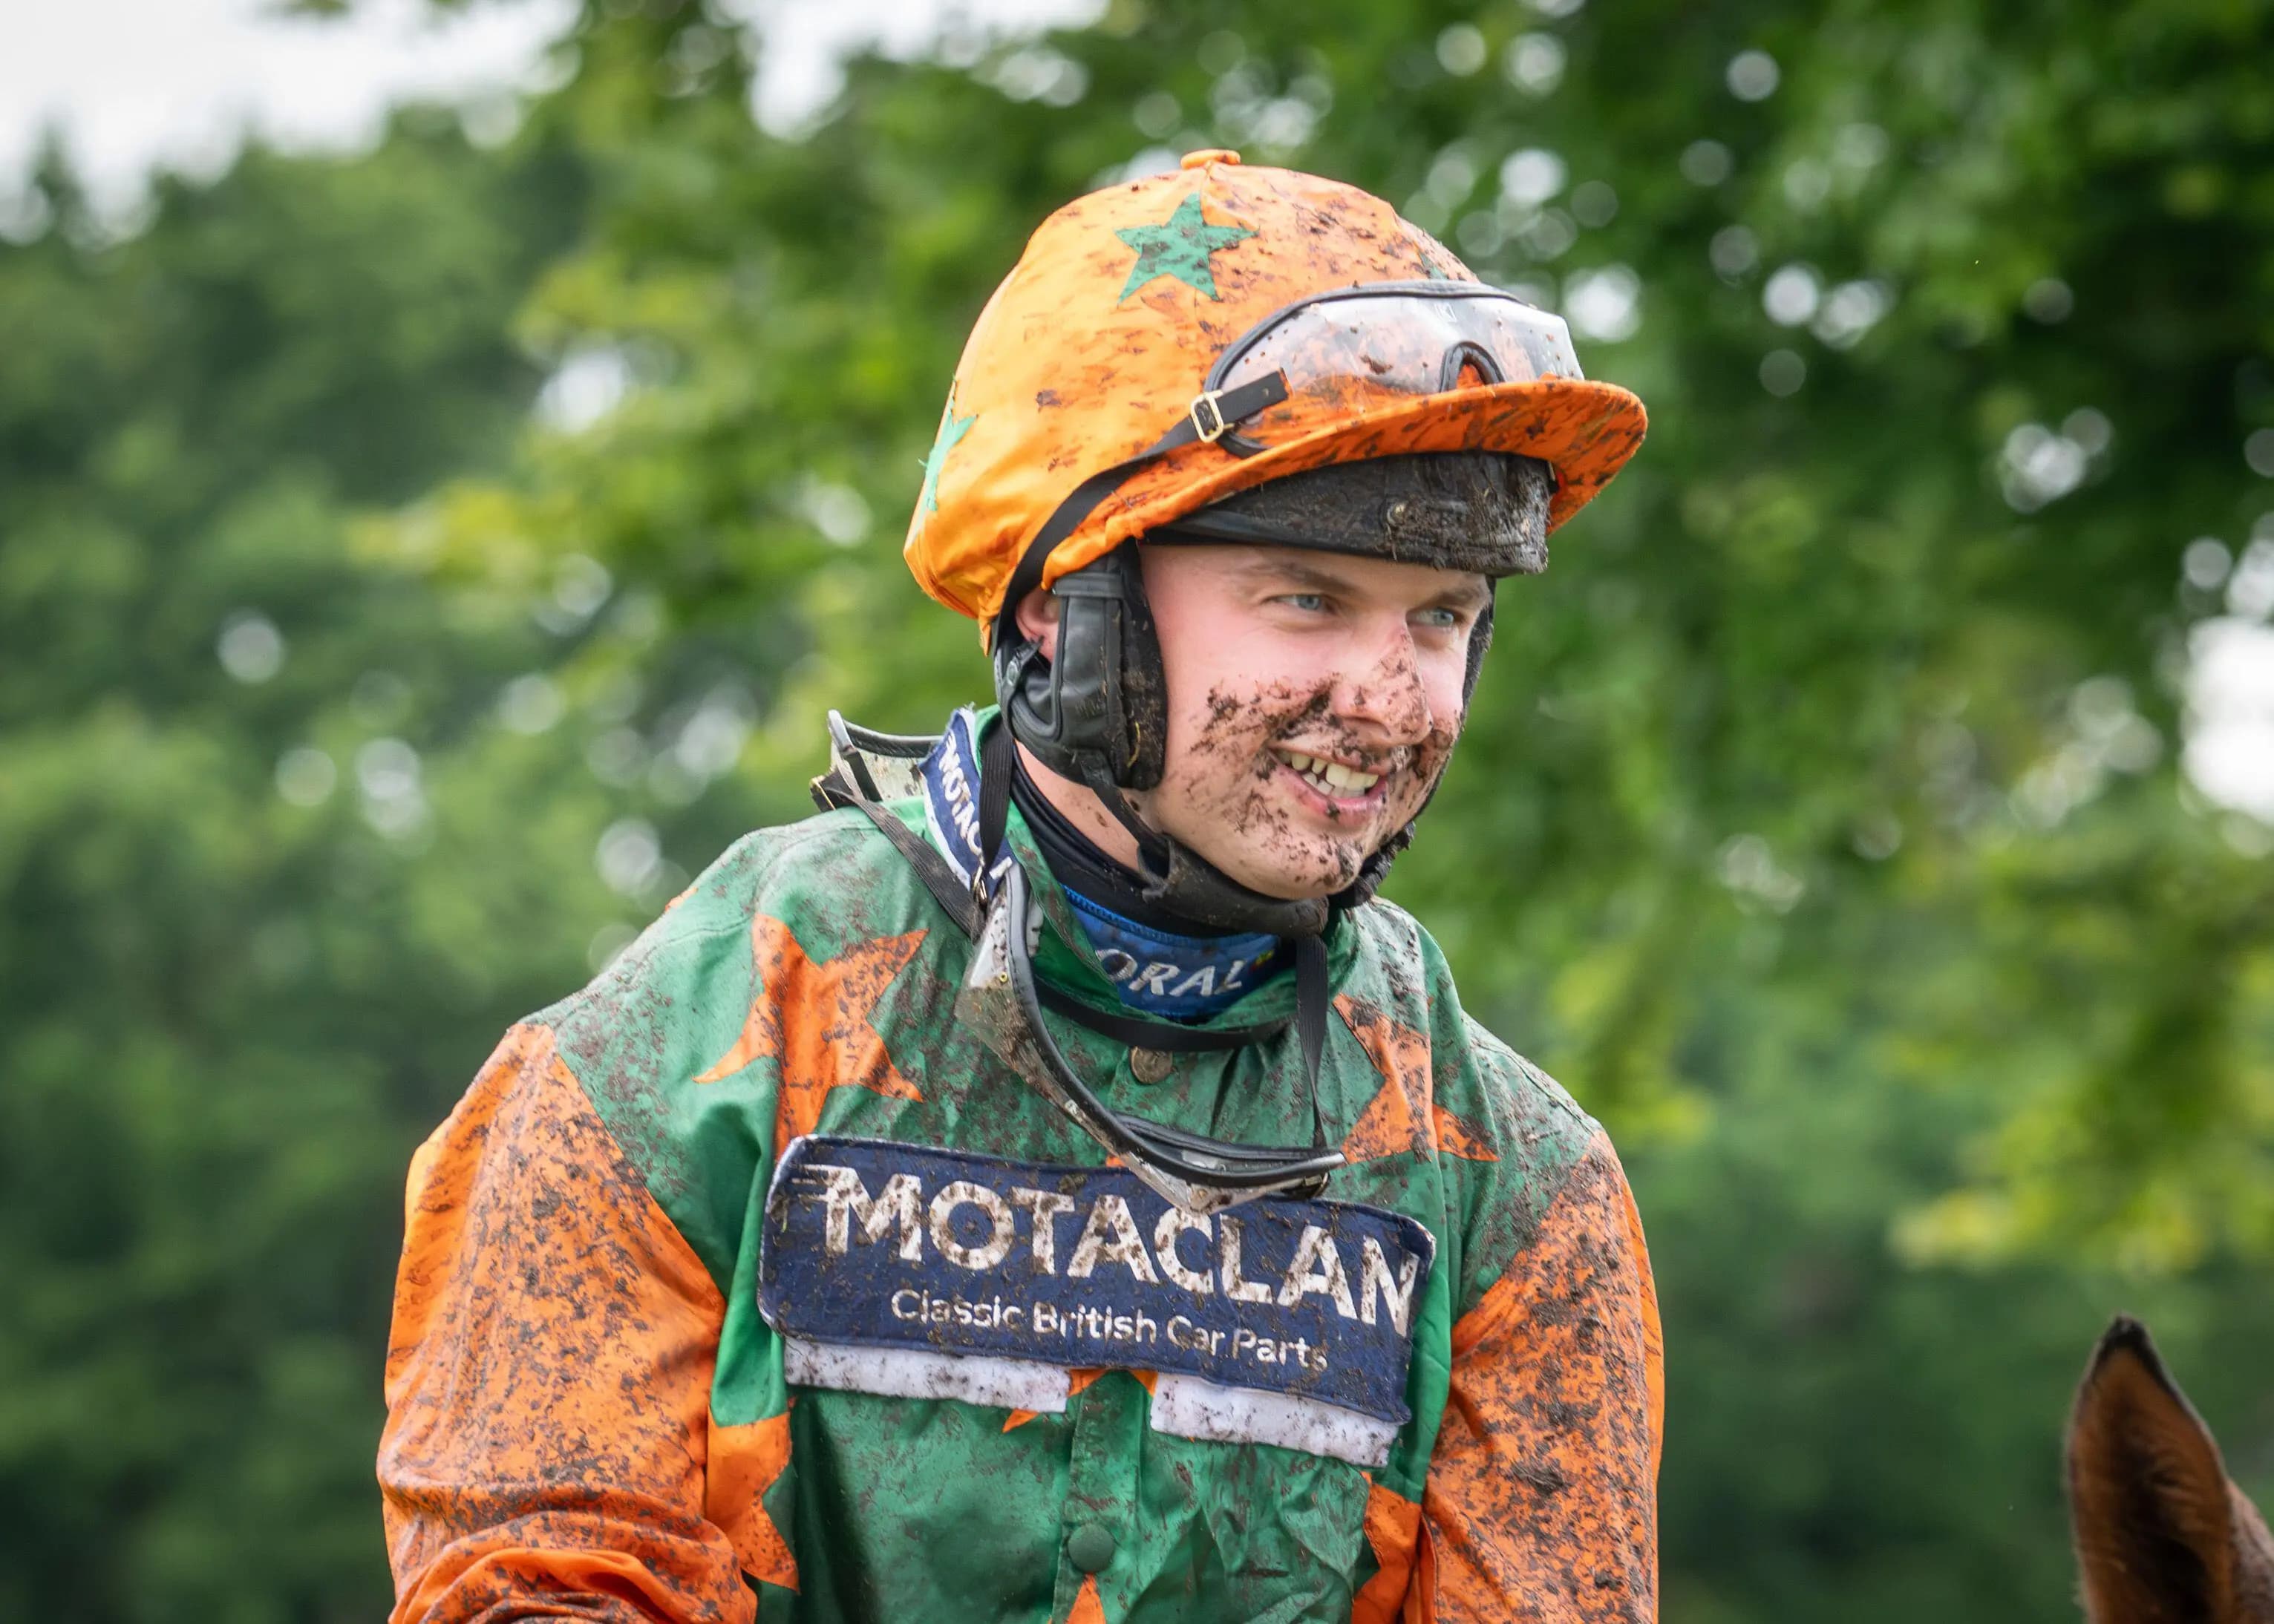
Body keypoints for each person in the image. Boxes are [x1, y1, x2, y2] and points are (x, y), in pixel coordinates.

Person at [379, 150, 1662, 1624]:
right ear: (1065, 601)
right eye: (1306, 598)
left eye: (1439, 619)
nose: (1384, 696)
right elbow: (529, 1584)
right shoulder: (675, 1060)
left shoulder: (1517, 1187)